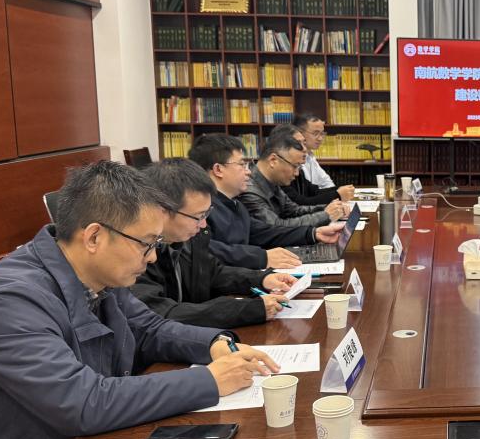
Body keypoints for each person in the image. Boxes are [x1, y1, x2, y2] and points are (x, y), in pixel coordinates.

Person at [0, 161, 278, 439]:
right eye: (146, 244)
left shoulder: (97, 273)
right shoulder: (7, 301)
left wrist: (213, 343)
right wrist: (208, 380)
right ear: (94, 237)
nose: (152, 257)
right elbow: (82, 402)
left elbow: (149, 329)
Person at [132, 159, 296, 328]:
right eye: (198, 216)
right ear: (163, 211)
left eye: (206, 214)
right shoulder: (136, 254)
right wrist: (248, 309)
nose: (203, 224)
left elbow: (212, 274)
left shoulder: (185, 238)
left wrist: (261, 279)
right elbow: (161, 314)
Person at [188, 134, 344, 270]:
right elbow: (209, 251)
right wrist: (262, 257)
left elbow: (265, 232)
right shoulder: (200, 211)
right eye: (242, 164)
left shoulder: (235, 204)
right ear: (218, 170)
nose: (248, 171)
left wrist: (313, 233)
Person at [242, 132, 343, 228]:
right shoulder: (248, 189)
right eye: (295, 166)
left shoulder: (272, 181)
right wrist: (325, 215)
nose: (297, 173)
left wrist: (328, 208)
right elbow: (275, 227)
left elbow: (293, 210)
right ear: (273, 160)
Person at [288, 113, 357, 206]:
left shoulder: (310, 157)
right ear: (299, 133)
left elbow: (322, 186)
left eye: (322, 133)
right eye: (316, 133)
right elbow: (301, 201)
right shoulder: (290, 163)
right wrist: (337, 194)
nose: (320, 138)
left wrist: (341, 191)